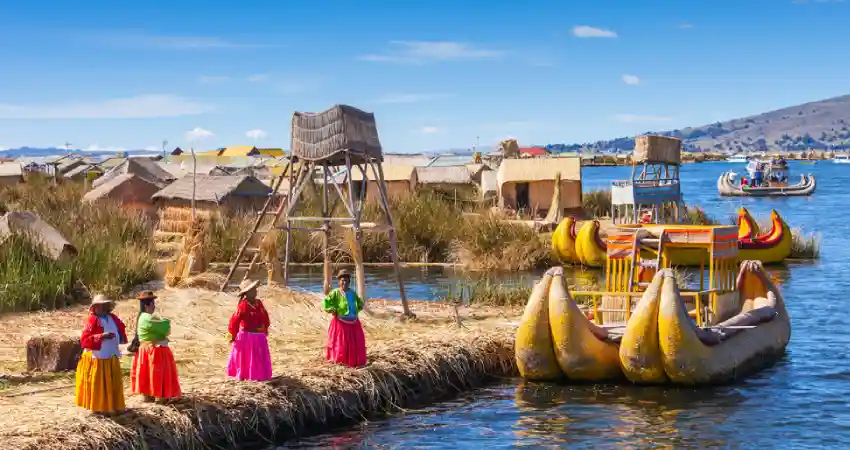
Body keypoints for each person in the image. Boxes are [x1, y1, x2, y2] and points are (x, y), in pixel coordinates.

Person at [75, 294, 128, 414]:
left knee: (112, 383)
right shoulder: (92, 320)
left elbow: (121, 330)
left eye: (105, 305)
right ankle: (98, 408)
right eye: (100, 306)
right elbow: (85, 339)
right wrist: (101, 336)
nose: (103, 308)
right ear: (95, 307)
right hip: (98, 357)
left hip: (111, 355)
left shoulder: (112, 318)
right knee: (98, 384)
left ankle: (112, 406)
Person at [131, 291, 181, 402]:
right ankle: (159, 396)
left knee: (149, 373)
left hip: (149, 349)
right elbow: (165, 327)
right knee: (155, 374)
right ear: (146, 305)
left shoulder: (146, 317)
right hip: (152, 351)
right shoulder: (147, 318)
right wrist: (165, 322)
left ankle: (150, 395)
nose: (154, 306)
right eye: (153, 304)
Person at [226, 280, 272, 381]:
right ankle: (246, 376)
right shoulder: (243, 305)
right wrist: (232, 336)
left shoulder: (258, 303)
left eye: (255, 289)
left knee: (258, 357)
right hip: (247, 337)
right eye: (253, 290)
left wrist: (265, 329)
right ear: (247, 293)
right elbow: (234, 321)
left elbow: (265, 317)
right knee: (246, 358)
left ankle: (259, 376)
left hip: (259, 337)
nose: (256, 291)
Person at [322, 270, 367, 367]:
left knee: (355, 343)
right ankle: (341, 362)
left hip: (354, 323)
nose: (344, 282)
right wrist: (332, 310)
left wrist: (355, 311)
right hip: (340, 323)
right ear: (339, 281)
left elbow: (360, 304)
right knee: (341, 344)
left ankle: (354, 362)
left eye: (347, 280)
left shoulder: (352, 293)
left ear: (349, 282)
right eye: (342, 280)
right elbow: (325, 303)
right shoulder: (335, 293)